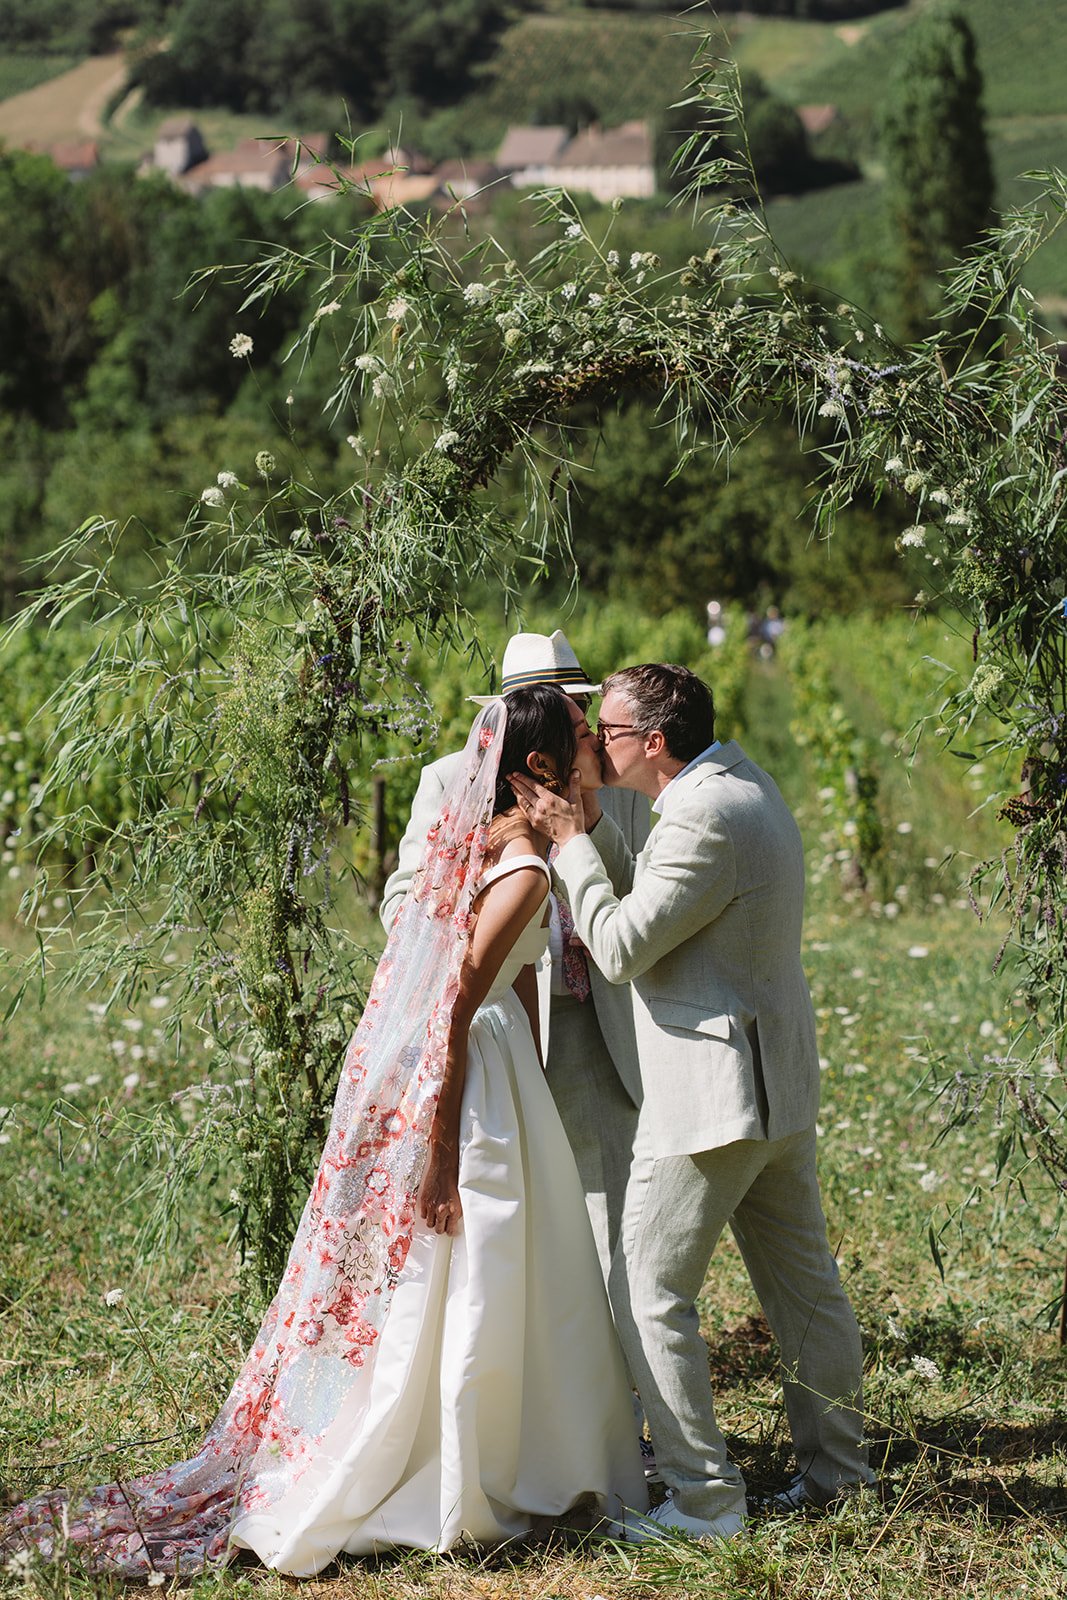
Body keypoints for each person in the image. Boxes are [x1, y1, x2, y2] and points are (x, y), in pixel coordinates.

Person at [2, 688, 646, 1576]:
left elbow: (503, 984)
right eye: (582, 739)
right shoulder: (528, 870)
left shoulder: (486, 849)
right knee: (478, 1260)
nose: (596, 753)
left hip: (501, 1071)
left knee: (505, 1265)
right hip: (475, 1080)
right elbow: (455, 1004)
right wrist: (442, 1154)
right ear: (539, 768)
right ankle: (470, 1463)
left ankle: (510, 1452)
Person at [510, 663, 873, 1542]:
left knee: (646, 1290)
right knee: (805, 1291)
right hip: (771, 1085)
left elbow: (623, 946)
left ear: (654, 743)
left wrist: (568, 844)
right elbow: (681, 903)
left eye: (609, 730)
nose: (593, 742)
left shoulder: (704, 812)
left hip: (713, 1095)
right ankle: (839, 1476)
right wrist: (599, 832)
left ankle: (704, 1500)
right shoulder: (739, 784)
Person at [382, 630, 649, 1286]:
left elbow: (640, 892)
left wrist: (586, 823)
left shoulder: (616, 788)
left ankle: (613, 1375)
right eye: (562, 711)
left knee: (609, 1219)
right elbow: (402, 903)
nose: (583, 734)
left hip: (592, 1023)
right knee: (496, 1215)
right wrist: (480, 929)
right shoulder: (450, 778)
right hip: (493, 1024)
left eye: (580, 711)